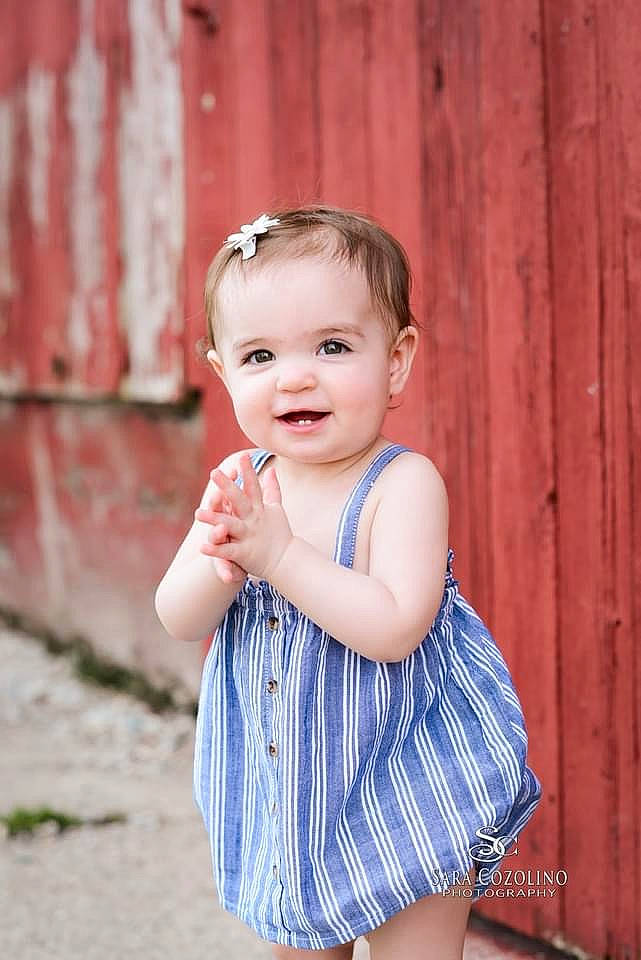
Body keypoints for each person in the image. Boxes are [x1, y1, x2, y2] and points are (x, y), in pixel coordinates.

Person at [154, 205, 543, 960]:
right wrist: (221, 563)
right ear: (221, 371)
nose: (295, 376)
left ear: (394, 361)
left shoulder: (402, 484)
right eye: (259, 356)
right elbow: (176, 615)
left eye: (332, 346)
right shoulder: (240, 481)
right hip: (294, 789)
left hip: (409, 783)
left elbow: (395, 627)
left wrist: (278, 559)